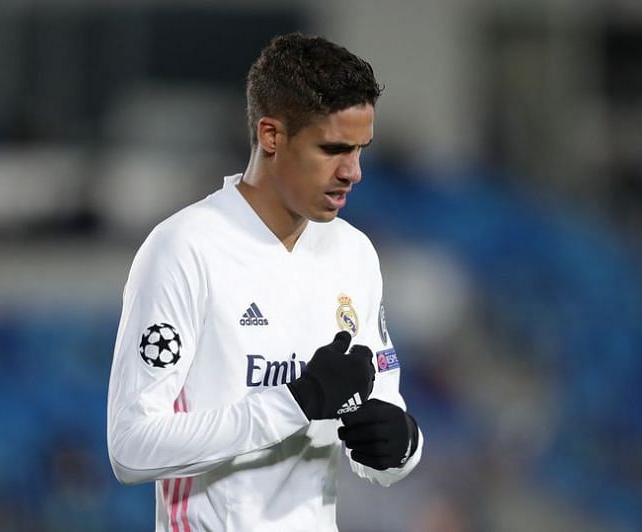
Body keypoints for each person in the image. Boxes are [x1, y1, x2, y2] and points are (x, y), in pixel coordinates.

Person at [107, 32, 422, 531]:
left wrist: (402, 445)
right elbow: (131, 448)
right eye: (333, 149)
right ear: (272, 136)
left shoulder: (354, 253)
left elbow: (379, 419)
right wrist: (294, 403)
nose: (354, 172)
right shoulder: (184, 250)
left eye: (360, 149)